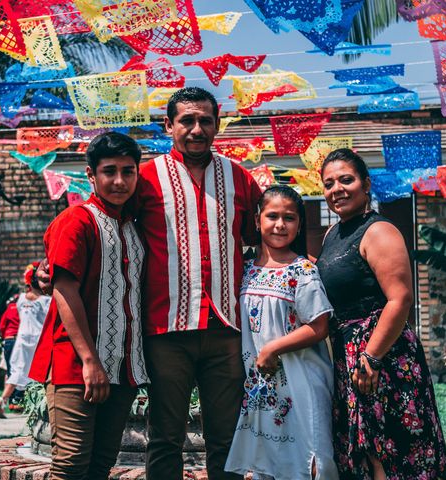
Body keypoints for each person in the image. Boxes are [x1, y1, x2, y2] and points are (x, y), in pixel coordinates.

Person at [137, 87, 262, 479]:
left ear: (217, 125)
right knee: (164, 439)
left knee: (226, 439)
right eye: (187, 120)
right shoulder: (144, 178)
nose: (196, 129)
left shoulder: (239, 178)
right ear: (168, 126)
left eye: (205, 120)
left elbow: (266, 240)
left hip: (225, 331)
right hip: (166, 330)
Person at [316, 149, 446, 480]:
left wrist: (372, 358)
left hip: (383, 355)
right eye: (329, 183)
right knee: (365, 451)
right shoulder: (331, 235)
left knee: (392, 449)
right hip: (348, 354)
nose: (337, 189)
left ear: (366, 184)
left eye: (346, 180)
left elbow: (400, 299)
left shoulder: (379, 231)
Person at [28, 132, 149, 480]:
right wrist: (90, 361)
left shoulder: (132, 226)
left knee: (100, 467)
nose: (119, 180)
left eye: (128, 171)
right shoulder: (76, 220)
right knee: (70, 467)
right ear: (90, 175)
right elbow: (65, 291)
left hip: (123, 367)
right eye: (109, 171)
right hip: (75, 364)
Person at [224, 186, 338, 480]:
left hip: (302, 380)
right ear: (257, 219)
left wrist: (271, 349)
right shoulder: (245, 269)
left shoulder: (302, 270)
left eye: (289, 218)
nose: (280, 224)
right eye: (272, 215)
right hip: (262, 386)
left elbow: (318, 325)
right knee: (270, 462)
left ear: (299, 224)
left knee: (306, 458)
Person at [0, 262, 51, 418]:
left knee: (17, 371)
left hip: (22, 339)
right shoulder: (46, 301)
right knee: (42, 373)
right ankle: (42, 404)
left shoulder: (20, 300)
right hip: (38, 340)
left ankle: (2, 399)